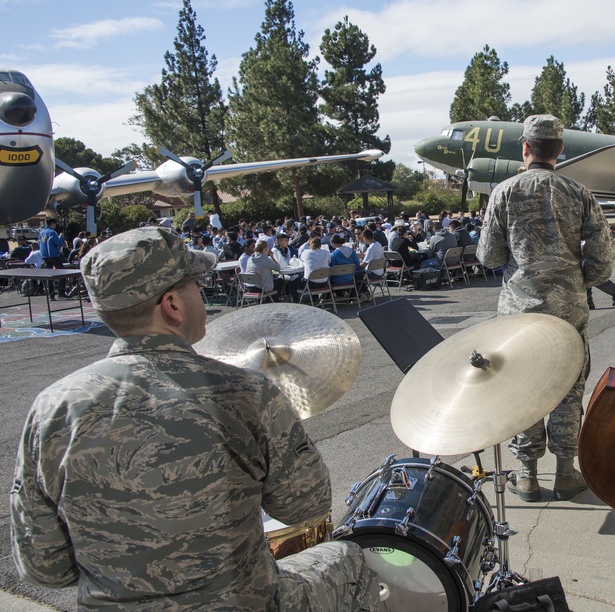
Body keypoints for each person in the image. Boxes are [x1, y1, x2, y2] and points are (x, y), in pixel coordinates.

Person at [10, 227, 377, 611]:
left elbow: (45, 569)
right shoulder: (245, 392)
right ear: (172, 304)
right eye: (196, 284)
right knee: (348, 558)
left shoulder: (51, 408)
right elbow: (307, 505)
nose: (202, 293)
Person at [477, 114, 615, 503]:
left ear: (525, 148)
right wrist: (577, 281)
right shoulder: (579, 192)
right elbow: (604, 258)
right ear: (560, 150)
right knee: (568, 389)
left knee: (523, 388)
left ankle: (526, 475)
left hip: (519, 315)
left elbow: (489, 257)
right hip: (567, 311)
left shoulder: (503, 193)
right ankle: (566, 473)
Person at [38, 218, 66, 299]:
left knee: (49, 276)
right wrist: (61, 237)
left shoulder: (41, 233)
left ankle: (51, 295)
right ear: (53, 224)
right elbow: (59, 243)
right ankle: (61, 293)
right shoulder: (52, 232)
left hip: (45, 256)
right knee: (62, 273)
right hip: (53, 255)